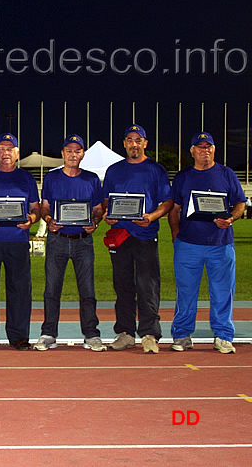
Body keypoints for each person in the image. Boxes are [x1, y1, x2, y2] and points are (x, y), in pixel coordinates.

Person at [168, 132, 245, 354]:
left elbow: (240, 202)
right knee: (186, 292)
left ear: (214, 149)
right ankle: (182, 334)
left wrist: (231, 218)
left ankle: (223, 336)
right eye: (200, 147)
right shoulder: (183, 177)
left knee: (222, 292)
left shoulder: (226, 174)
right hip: (188, 244)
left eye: (209, 146)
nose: (205, 150)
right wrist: (176, 234)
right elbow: (175, 209)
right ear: (192, 151)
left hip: (221, 244)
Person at [102, 124, 173, 354]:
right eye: (130, 140)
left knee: (148, 286)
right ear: (124, 143)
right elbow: (106, 202)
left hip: (145, 235)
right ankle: (126, 333)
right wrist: (107, 215)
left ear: (145, 143)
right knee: (122, 287)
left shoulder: (156, 170)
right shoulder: (114, 170)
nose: (134, 144)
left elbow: (167, 202)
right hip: (120, 237)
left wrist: (151, 216)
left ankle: (149, 333)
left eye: (138, 140)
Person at [32, 135, 106, 352]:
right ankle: (48, 333)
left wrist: (96, 221)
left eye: (78, 151)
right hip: (58, 240)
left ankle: (91, 334)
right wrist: (48, 221)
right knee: (52, 290)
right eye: (69, 151)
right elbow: (45, 206)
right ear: (63, 153)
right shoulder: (53, 178)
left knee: (87, 290)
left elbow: (98, 209)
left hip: (83, 241)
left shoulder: (92, 179)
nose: (73, 155)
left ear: (83, 154)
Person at [0, 133, 40, 351]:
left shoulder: (26, 178)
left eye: (10, 149)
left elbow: (35, 208)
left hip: (18, 240)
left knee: (20, 289)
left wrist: (31, 219)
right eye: (1, 149)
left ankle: (19, 336)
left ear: (18, 153)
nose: (6, 153)